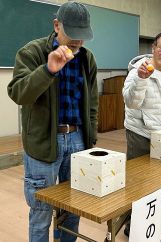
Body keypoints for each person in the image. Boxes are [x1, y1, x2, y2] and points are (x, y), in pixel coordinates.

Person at [7, 2, 98, 242]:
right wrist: (47, 70)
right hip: (43, 142)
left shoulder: (87, 59)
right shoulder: (31, 52)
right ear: (57, 25)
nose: (77, 41)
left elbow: (91, 103)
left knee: (72, 208)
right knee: (41, 209)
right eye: (72, 34)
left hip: (78, 139)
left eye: (83, 36)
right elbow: (18, 93)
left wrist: (91, 138)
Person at [122, 31, 161, 237]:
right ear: (153, 48)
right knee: (138, 182)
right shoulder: (139, 70)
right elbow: (131, 102)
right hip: (140, 133)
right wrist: (141, 79)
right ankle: (132, 224)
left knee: (158, 181)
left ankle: (154, 217)